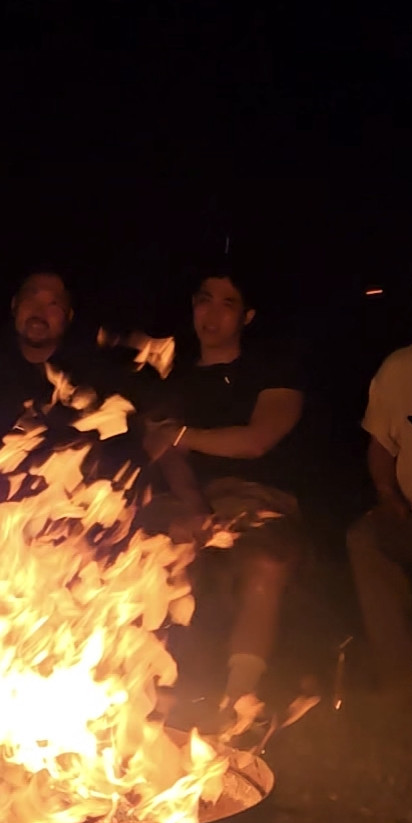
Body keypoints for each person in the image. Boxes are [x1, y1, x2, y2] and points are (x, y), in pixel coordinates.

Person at [141, 262, 304, 729]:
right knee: (150, 549)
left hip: (256, 494)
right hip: (186, 496)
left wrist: (183, 435)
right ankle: (149, 697)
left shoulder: (273, 372)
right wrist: (195, 509)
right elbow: (164, 454)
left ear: (247, 316)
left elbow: (256, 440)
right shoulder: (169, 378)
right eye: (203, 300)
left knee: (265, 562)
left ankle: (238, 705)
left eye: (227, 303)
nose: (211, 314)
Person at [347, 257, 412, 685]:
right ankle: (403, 673)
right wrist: (387, 493)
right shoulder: (401, 368)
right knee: (366, 538)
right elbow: (381, 446)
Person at [0, 269, 108, 466]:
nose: (39, 312)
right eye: (31, 300)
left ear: (69, 316)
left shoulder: (93, 371)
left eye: (53, 304)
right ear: (14, 305)